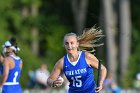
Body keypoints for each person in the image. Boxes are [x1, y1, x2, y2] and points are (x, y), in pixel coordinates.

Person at [47, 26, 107, 93]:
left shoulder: (87, 57)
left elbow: (103, 69)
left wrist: (101, 83)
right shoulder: (62, 62)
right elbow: (49, 80)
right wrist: (54, 83)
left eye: (72, 43)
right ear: (64, 45)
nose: (69, 46)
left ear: (77, 44)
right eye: (67, 43)